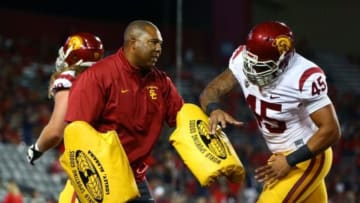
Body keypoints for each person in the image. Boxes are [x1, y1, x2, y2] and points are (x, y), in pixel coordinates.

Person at [199, 21, 341, 202]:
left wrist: (290, 160)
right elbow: (211, 91)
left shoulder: (303, 76)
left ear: (283, 60)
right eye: (251, 63)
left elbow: (331, 130)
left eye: (261, 66)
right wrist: (214, 108)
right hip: (280, 155)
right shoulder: (243, 60)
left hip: (308, 157)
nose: (253, 71)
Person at [65, 20, 184, 202]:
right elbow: (77, 133)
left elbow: (183, 120)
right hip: (103, 177)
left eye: (160, 44)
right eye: (153, 42)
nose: (159, 49)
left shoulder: (161, 83)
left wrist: (207, 120)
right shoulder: (98, 76)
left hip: (135, 177)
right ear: (132, 43)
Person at [26, 32, 104, 201]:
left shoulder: (71, 78)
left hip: (91, 168)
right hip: (119, 165)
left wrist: (36, 149)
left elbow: (55, 131)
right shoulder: (109, 79)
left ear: (74, 56)